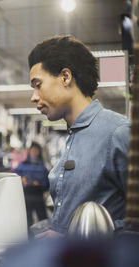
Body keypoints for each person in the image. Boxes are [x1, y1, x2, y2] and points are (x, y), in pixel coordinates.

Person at [28, 35, 130, 238]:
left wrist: (75, 237)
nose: (33, 97)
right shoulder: (73, 137)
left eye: (38, 85)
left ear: (65, 77)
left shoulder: (117, 133)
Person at [14, 142, 49, 227]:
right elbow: (13, 176)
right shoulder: (21, 165)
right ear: (29, 151)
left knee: (43, 220)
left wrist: (39, 184)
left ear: (39, 152)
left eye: (36, 151)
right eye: (32, 150)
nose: (34, 152)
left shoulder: (43, 167)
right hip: (26, 196)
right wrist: (22, 179)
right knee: (26, 220)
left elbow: (47, 183)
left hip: (38, 195)